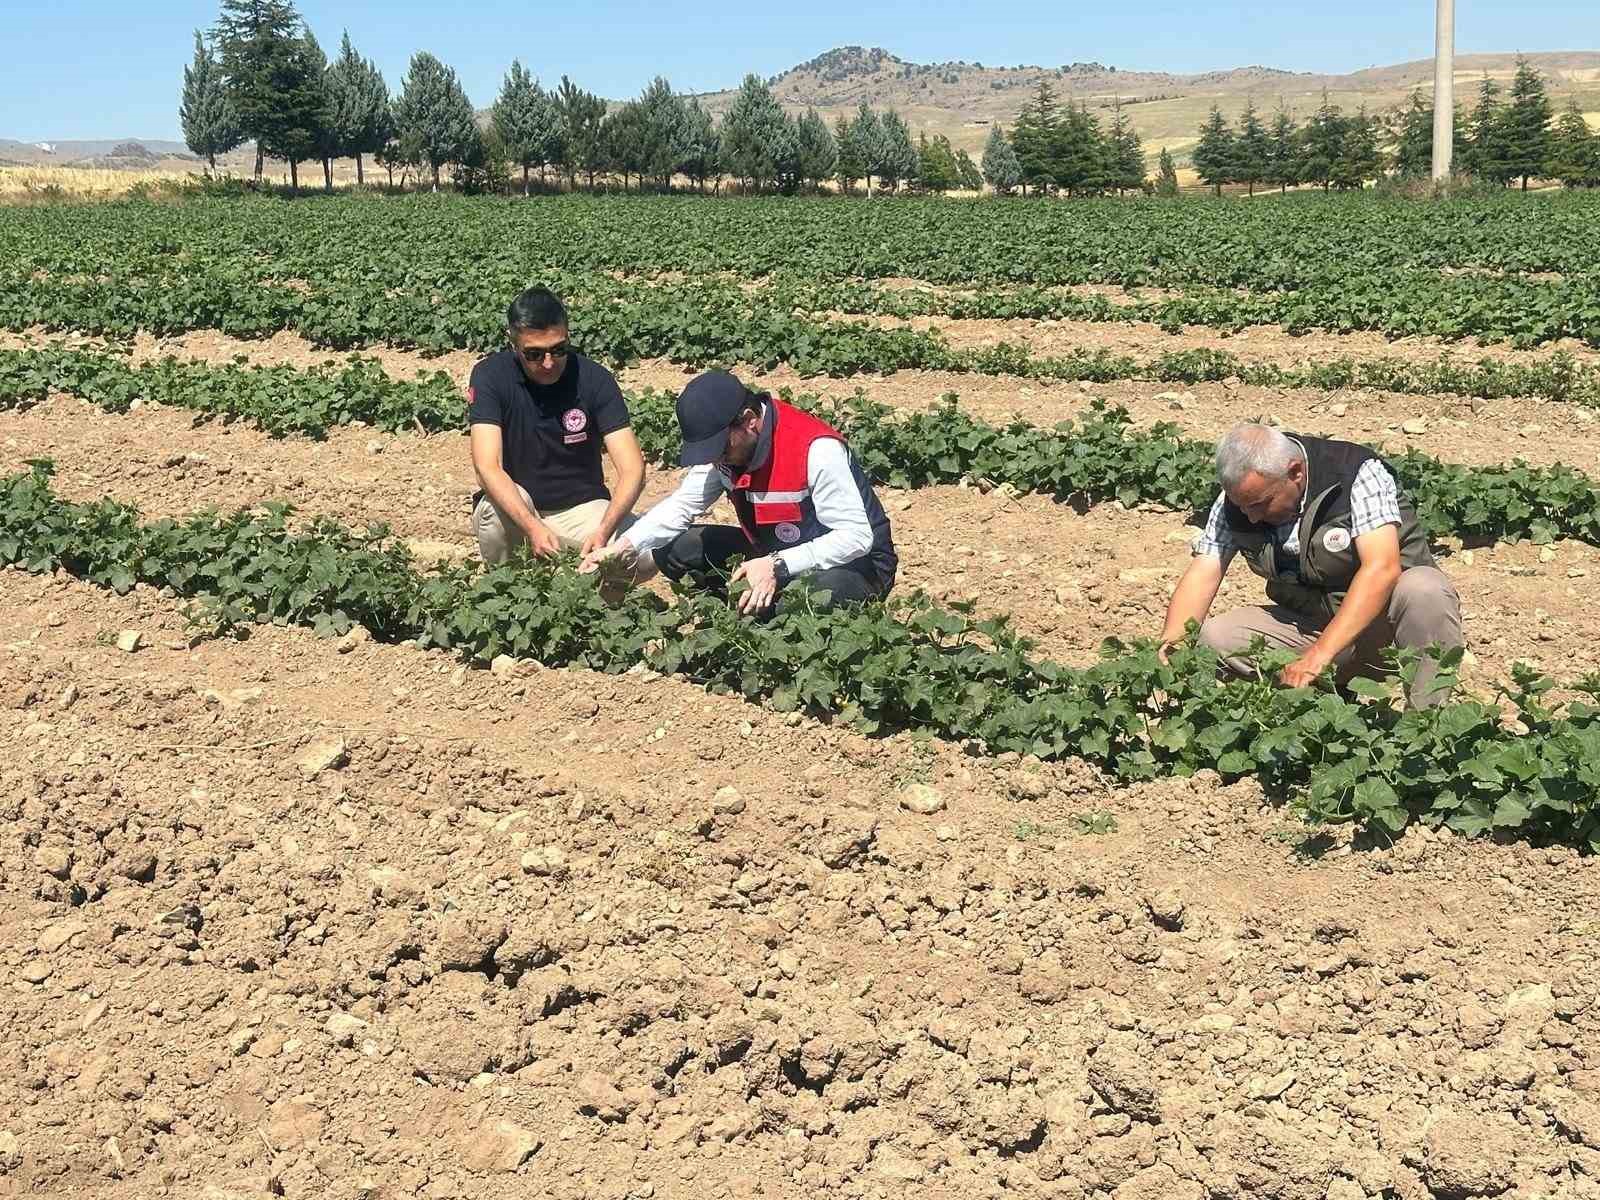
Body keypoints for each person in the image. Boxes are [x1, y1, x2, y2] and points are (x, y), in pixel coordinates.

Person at [1158, 422, 1464, 708]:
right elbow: (1205, 571)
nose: (1250, 517)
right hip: (1311, 625)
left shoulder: (1356, 473)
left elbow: (1381, 568)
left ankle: (1428, 728)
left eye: (1260, 504)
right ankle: (1313, 710)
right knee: (1216, 638)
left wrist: (1320, 655)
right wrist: (1171, 648)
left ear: (1296, 473)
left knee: (1425, 589)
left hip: (1382, 635)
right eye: (1242, 506)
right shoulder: (1240, 499)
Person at [578, 370, 897, 614]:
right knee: (676, 548)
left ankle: (774, 616)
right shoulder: (728, 452)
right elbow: (682, 505)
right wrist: (624, 546)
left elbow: (856, 538)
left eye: (719, 447)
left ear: (749, 421)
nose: (715, 457)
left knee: (806, 600)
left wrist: (777, 565)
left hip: (852, 565)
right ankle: (742, 611)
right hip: (771, 556)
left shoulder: (816, 450)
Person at [467, 287, 649, 570]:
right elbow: (486, 466)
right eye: (534, 354)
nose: (549, 363)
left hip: (581, 509)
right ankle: (509, 592)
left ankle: (600, 607)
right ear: (512, 344)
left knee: (645, 553)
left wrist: (603, 529)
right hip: (520, 510)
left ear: (568, 336)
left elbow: (633, 468)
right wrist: (532, 527)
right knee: (494, 511)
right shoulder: (491, 377)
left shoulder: (595, 379)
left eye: (558, 349)